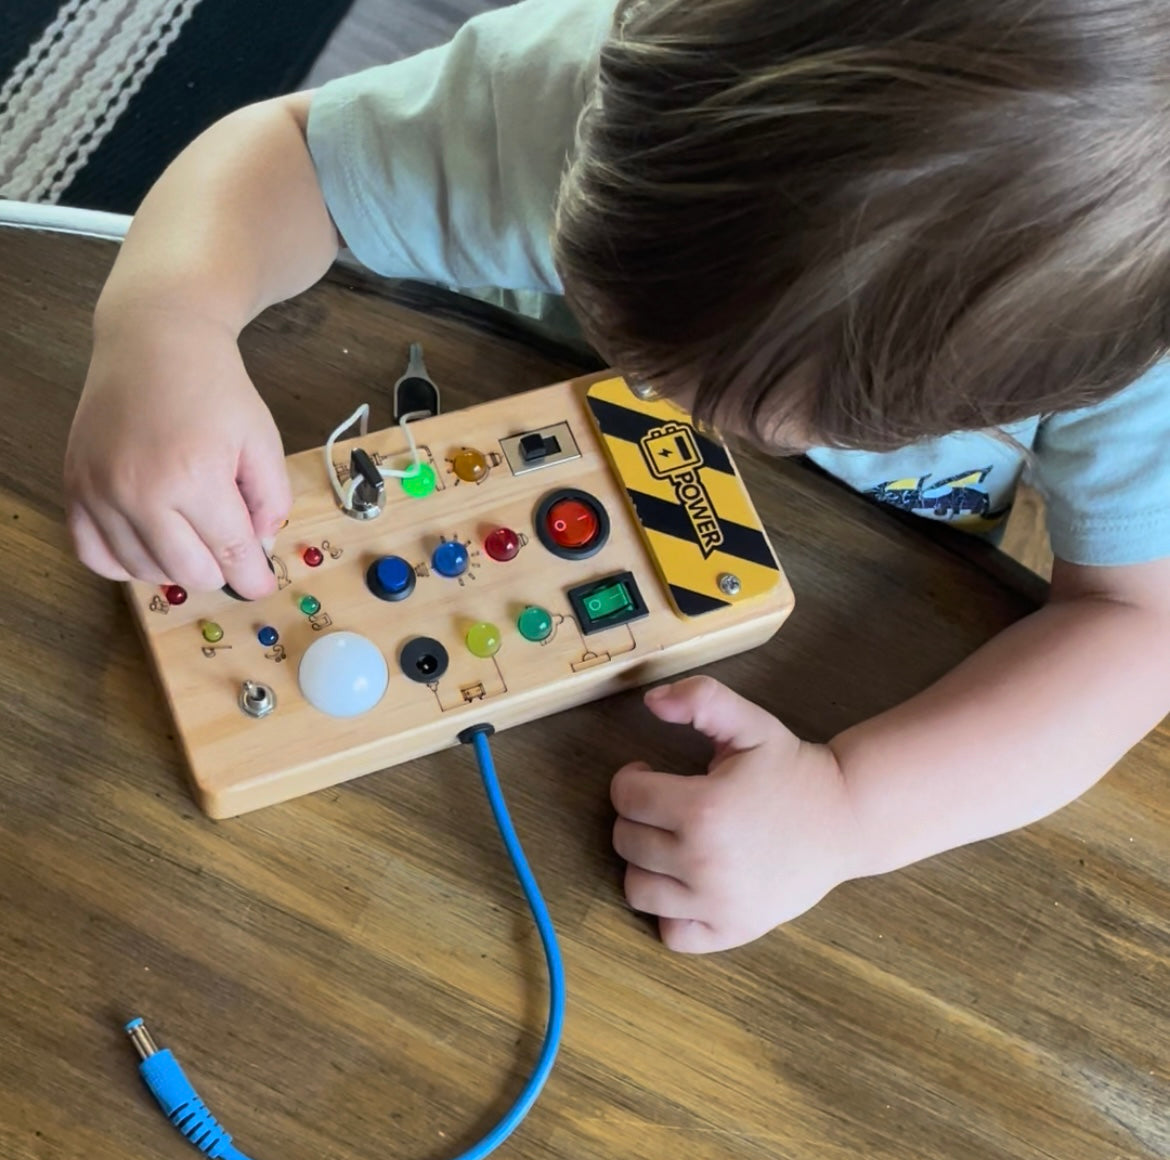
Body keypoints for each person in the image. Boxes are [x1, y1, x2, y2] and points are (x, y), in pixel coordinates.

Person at [63, 0, 1170, 953]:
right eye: (633, 337)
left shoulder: (1140, 354)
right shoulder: (594, 95)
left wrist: (848, 812)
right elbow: (287, 155)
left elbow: (1136, 625)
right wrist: (168, 321)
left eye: (773, 418)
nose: (676, 417)